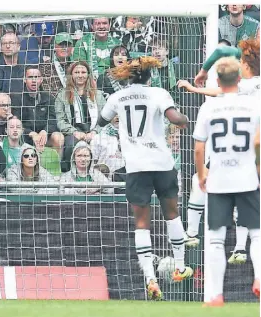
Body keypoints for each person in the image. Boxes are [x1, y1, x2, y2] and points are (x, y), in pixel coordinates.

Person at [98, 56, 192, 300]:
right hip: (161, 162)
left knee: (142, 223)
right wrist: (184, 119)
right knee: (172, 213)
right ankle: (180, 268)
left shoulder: (117, 97)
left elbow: (100, 120)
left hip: (136, 165)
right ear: (150, 76)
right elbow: (175, 119)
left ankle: (150, 278)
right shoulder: (159, 93)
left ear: (128, 75)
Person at [178, 39, 259, 262]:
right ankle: (241, 248)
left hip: (236, 148)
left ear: (246, 65)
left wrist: (196, 84)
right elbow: (223, 50)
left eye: (240, 61)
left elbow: (223, 81)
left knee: (200, 182)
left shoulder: (245, 85)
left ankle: (193, 234)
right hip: (251, 148)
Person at [193, 57, 259, 305]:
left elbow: (199, 147)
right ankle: (259, 278)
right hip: (247, 178)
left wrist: (201, 174)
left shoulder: (209, 107)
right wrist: (258, 167)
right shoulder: (253, 105)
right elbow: (258, 141)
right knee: (257, 234)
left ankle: (216, 294)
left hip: (219, 179)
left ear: (218, 81)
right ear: (239, 80)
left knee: (216, 238)